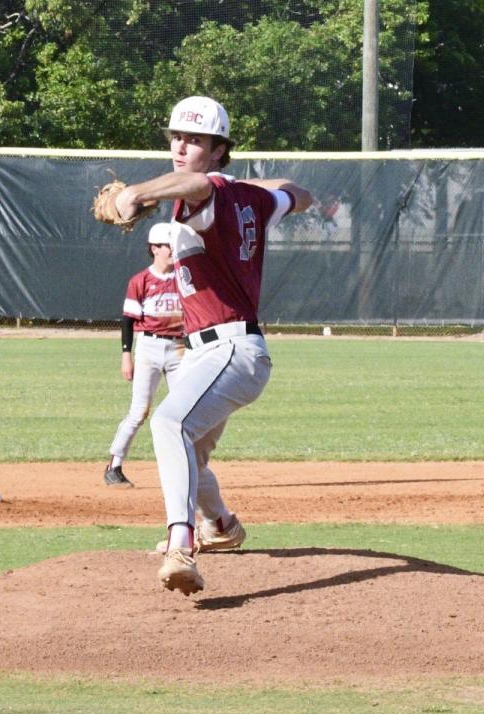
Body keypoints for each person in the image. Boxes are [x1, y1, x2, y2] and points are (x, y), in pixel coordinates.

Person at [112, 96, 313, 594]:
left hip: (229, 347)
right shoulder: (253, 200)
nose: (181, 146)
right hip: (212, 351)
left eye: (195, 140)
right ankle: (220, 524)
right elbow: (298, 193)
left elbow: (199, 185)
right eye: (176, 137)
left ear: (220, 149)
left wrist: (137, 192)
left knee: (167, 422)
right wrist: (256, 186)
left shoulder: (206, 195)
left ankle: (180, 543)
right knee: (190, 455)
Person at [104, 222, 185, 488]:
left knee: (184, 410)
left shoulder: (185, 278)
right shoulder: (140, 281)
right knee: (139, 411)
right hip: (149, 347)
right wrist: (126, 354)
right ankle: (114, 465)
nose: (172, 249)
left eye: (173, 245)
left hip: (179, 348)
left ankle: (184, 466)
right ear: (154, 249)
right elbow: (128, 320)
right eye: (166, 245)